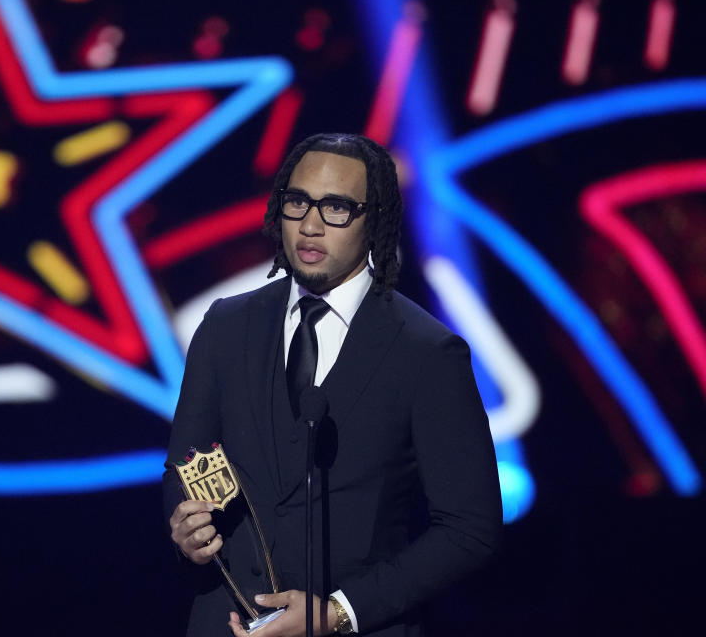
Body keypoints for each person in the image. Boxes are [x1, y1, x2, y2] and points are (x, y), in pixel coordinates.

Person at [163, 133, 502, 636]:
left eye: (337, 207)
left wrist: (338, 612)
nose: (311, 224)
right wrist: (185, 532)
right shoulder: (225, 326)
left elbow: (470, 530)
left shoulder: (427, 353)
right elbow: (182, 466)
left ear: (376, 221)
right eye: (297, 202)